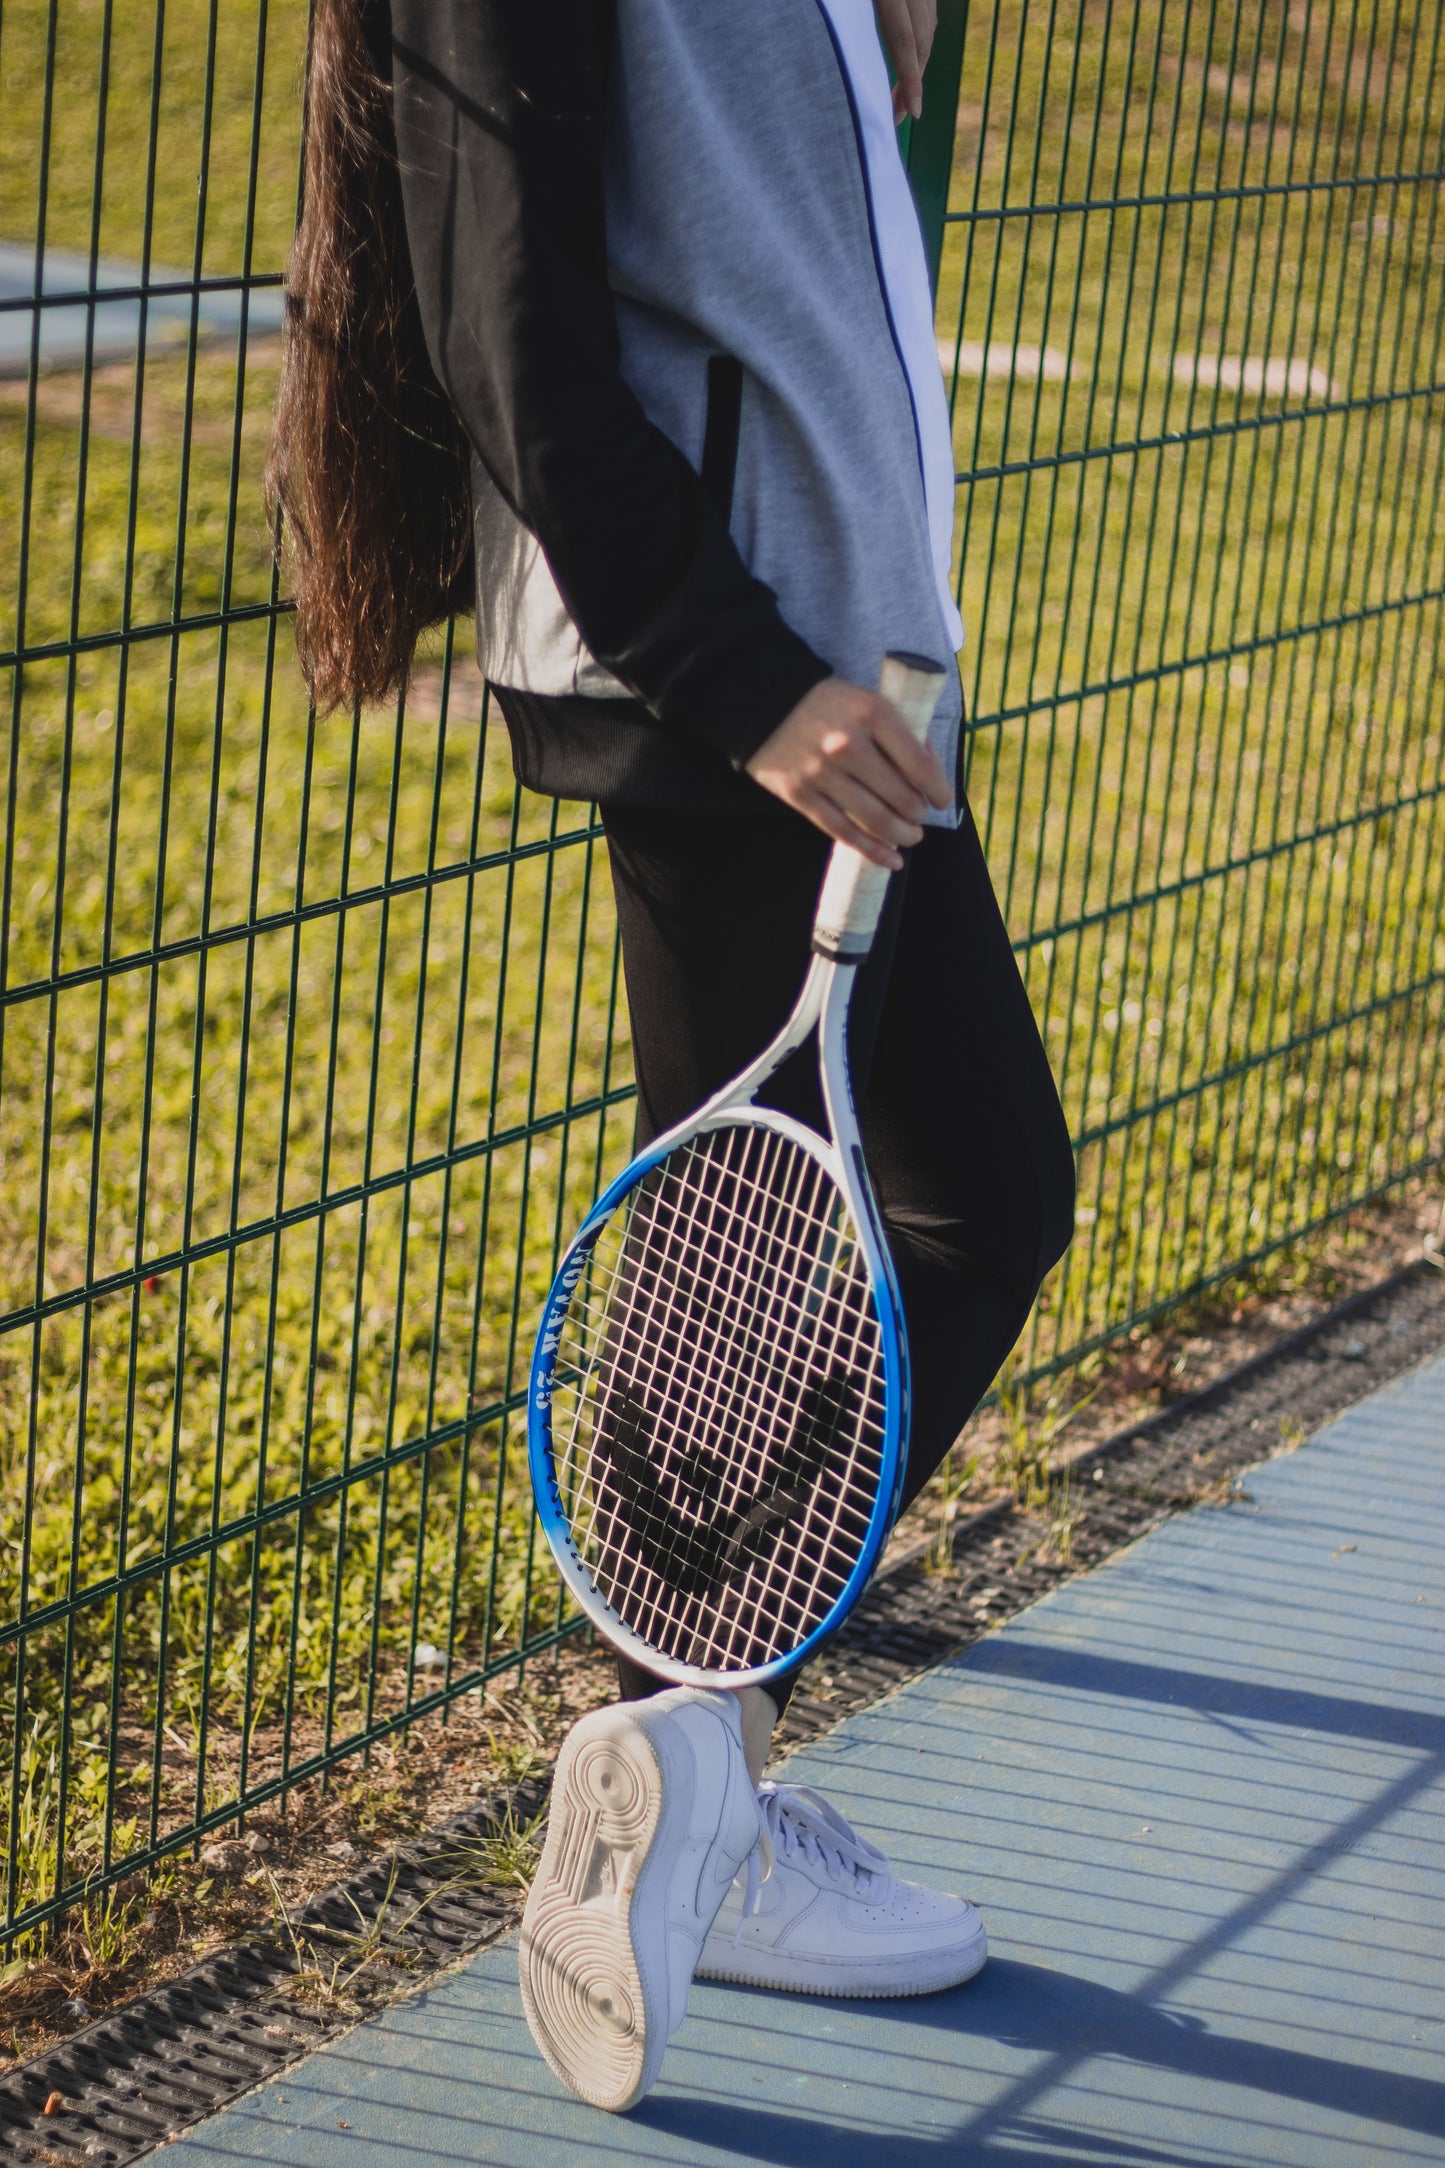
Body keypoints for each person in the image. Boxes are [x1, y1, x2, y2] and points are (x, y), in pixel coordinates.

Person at [268, 0, 1076, 2116]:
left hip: (827, 651)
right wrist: (751, 686)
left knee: (947, 1188)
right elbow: (500, 322)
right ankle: (685, 1784)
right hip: (746, 676)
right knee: (815, 1233)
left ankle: (686, 1751)